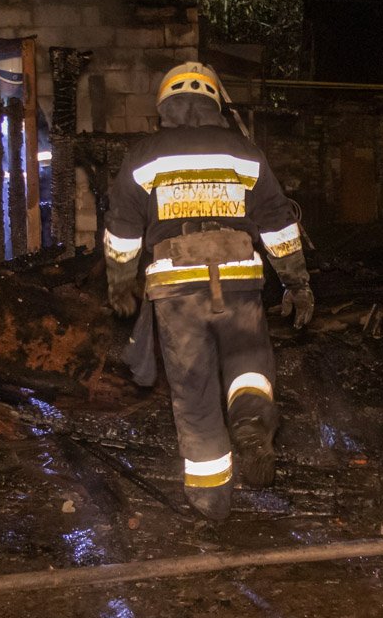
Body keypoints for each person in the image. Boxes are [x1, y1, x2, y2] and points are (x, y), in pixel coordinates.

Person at [104, 62, 314, 521]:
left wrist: (120, 282)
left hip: (177, 290)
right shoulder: (245, 153)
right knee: (249, 363)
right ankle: (251, 417)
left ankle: (210, 503)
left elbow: (122, 228)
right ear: (216, 103)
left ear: (164, 107)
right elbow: (278, 221)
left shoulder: (145, 155)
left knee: (195, 395)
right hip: (239, 279)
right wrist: (297, 283)